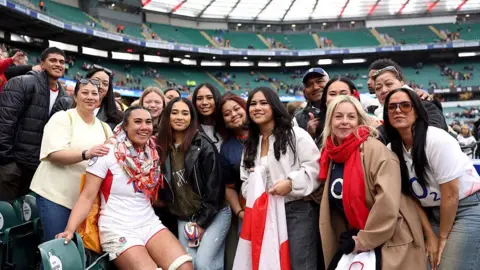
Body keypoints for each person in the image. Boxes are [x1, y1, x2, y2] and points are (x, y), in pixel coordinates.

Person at [57, 106, 193, 270]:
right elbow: (87, 197)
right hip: (117, 228)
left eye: (148, 122)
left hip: (149, 223)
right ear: (125, 126)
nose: (144, 127)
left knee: (185, 266)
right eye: (137, 122)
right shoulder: (107, 152)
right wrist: (70, 230)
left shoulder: (153, 153)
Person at [318, 95, 426, 269]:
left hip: (390, 238)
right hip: (355, 240)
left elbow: (387, 203)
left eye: (351, 117)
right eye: (338, 116)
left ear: (360, 121)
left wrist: (362, 241)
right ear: (330, 121)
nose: (344, 122)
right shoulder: (330, 155)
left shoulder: (377, 152)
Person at [384, 87, 480, 270]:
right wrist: (430, 236)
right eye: (392, 107)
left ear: (418, 112)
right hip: (434, 213)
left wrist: (442, 238)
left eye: (405, 105)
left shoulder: (436, 139)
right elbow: (410, 198)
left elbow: (451, 193)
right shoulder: (391, 149)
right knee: (428, 265)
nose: (397, 110)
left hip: (467, 207)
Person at [241, 87, 322, 269]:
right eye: (253, 104)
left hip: (296, 211)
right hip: (264, 214)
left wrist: (291, 184)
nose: (257, 108)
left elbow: (315, 169)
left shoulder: (296, 134)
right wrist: (255, 187)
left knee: (300, 263)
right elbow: (244, 181)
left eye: (263, 103)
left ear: (274, 106)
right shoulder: (250, 144)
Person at [30, 78, 113, 242]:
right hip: (55, 197)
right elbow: (54, 154)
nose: (90, 97)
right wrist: (86, 153)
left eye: (94, 94)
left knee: (76, 251)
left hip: (84, 203)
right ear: (75, 97)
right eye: (84, 92)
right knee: (58, 248)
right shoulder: (62, 118)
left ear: (100, 99)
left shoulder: (104, 128)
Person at [157, 97, 230, 270]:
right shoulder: (160, 147)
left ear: (192, 117)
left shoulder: (203, 145)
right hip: (185, 216)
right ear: (167, 116)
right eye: (174, 113)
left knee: (204, 264)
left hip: (214, 212)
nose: (180, 117)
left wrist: (202, 224)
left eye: (185, 113)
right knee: (189, 264)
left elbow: (215, 189)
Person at [0, 47, 67, 201]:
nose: (58, 64)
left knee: (24, 221)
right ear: (42, 64)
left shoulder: (65, 97)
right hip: (12, 166)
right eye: (53, 60)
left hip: (37, 169)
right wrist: (6, 161)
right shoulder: (21, 83)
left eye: (62, 62)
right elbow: (4, 123)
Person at [217, 93, 248, 269]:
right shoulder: (227, 149)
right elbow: (229, 188)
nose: (234, 114)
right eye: (227, 113)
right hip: (248, 209)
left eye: (237, 109)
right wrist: (239, 212)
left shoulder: (265, 133)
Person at [52, 66, 123, 130]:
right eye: (96, 81)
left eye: (105, 84)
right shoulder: (64, 104)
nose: (100, 86)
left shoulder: (117, 118)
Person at [294, 67, 330, 139]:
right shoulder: (297, 120)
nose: (315, 87)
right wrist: (308, 137)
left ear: (330, 84)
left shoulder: (347, 111)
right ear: (304, 92)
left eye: (319, 81)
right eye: (309, 84)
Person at [192, 83, 223, 151]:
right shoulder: (190, 129)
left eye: (209, 98)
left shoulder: (227, 128)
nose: (204, 102)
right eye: (199, 98)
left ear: (216, 99)